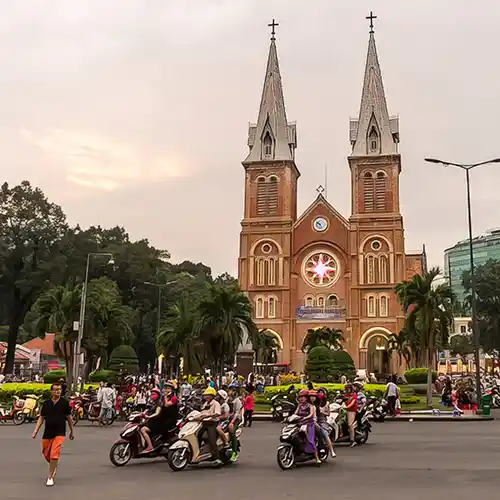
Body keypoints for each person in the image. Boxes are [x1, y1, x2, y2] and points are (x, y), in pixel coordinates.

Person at [32, 383, 74, 487]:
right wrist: (35, 431)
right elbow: (41, 418)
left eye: (59, 390)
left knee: (54, 454)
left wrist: (72, 431)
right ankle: (53, 465)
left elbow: (69, 418)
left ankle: (50, 476)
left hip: (60, 432)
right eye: (55, 390)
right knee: (46, 454)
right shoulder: (46, 403)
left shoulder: (65, 403)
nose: (57, 392)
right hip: (48, 432)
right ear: (51, 391)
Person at [294, 389, 321, 464]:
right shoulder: (299, 406)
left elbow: (311, 414)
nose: (301, 398)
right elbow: (295, 413)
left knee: (310, 440)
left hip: (309, 424)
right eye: (300, 397)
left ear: (307, 398)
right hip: (300, 424)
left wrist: (306, 417)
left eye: (303, 397)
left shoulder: (310, 406)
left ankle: (317, 458)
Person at [198, 386, 221, 463]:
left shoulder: (216, 404)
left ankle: (216, 457)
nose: (206, 396)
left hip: (212, 423)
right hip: (204, 423)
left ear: (212, 396)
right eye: (205, 395)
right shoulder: (205, 404)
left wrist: (208, 416)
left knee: (212, 439)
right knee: (197, 436)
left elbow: (217, 413)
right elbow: (202, 413)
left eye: (208, 395)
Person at [316, 389, 336, 458]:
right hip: (314, 421)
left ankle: (331, 451)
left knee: (324, 433)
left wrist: (322, 412)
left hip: (322, 421)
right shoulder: (315, 403)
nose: (320, 394)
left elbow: (328, 413)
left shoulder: (326, 403)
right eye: (319, 392)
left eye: (322, 393)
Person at [227, 385, 243, 462]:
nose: (229, 392)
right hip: (227, 418)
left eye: (231, 390)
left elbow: (237, 413)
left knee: (232, 433)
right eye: (229, 390)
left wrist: (232, 422)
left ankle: (234, 452)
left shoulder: (237, 401)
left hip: (236, 419)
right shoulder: (227, 400)